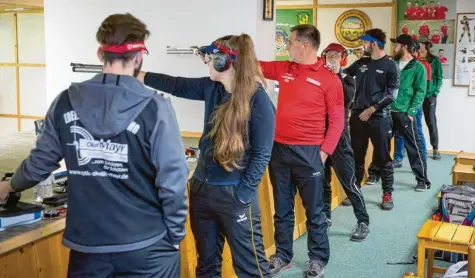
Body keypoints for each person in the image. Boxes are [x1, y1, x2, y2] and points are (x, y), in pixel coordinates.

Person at [0, 13, 189, 277]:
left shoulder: (65, 102)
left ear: (100, 55)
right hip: (147, 247)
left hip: (88, 248)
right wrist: (176, 234)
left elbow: (39, 163)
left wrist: (9, 186)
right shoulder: (155, 108)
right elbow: (174, 181)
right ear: (139, 58)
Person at [139, 34, 275, 278]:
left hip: (235, 194)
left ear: (225, 62)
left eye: (212, 58)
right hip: (202, 190)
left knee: (250, 268)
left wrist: (242, 196)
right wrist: (136, 74)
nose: (207, 63)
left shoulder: (258, 100)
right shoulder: (212, 87)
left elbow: (263, 154)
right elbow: (176, 84)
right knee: (207, 267)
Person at [259, 24, 344, 278]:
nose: (287, 46)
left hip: (310, 152)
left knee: (314, 210)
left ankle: (318, 259)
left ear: (304, 45)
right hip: (279, 150)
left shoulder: (329, 78)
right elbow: (256, 65)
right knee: (282, 208)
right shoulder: (285, 68)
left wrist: (325, 151)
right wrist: (229, 52)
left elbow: (338, 118)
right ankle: (282, 255)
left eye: (290, 42)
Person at [344, 28, 399, 210]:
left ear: (373, 43)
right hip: (358, 117)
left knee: (383, 157)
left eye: (365, 42)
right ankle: (355, 190)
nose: (363, 45)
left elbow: (392, 95)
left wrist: (372, 109)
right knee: (357, 156)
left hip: (380, 118)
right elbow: (344, 75)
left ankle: (387, 193)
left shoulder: (390, 65)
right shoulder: (361, 63)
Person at [321, 43, 370, 241]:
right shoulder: (319, 78)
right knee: (322, 183)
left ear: (342, 59)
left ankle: (363, 221)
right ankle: (325, 217)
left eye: (335, 55)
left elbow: (348, 98)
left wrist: (337, 75)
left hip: (339, 140)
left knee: (349, 183)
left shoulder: (348, 79)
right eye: (328, 55)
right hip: (319, 138)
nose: (331, 58)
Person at [390, 34, 431, 191]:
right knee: (381, 145)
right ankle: (376, 173)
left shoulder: (418, 67)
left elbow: (421, 91)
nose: (394, 48)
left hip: (404, 112)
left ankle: (422, 179)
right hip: (388, 111)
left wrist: (411, 111)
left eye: (396, 45)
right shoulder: (391, 64)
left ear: (404, 47)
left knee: (413, 147)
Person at [419, 39, 443, 160]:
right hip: (417, 95)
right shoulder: (415, 59)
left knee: (431, 122)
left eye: (420, 44)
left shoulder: (435, 60)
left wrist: (435, 93)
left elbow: (439, 77)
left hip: (429, 96)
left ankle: (435, 149)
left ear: (425, 46)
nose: (418, 46)